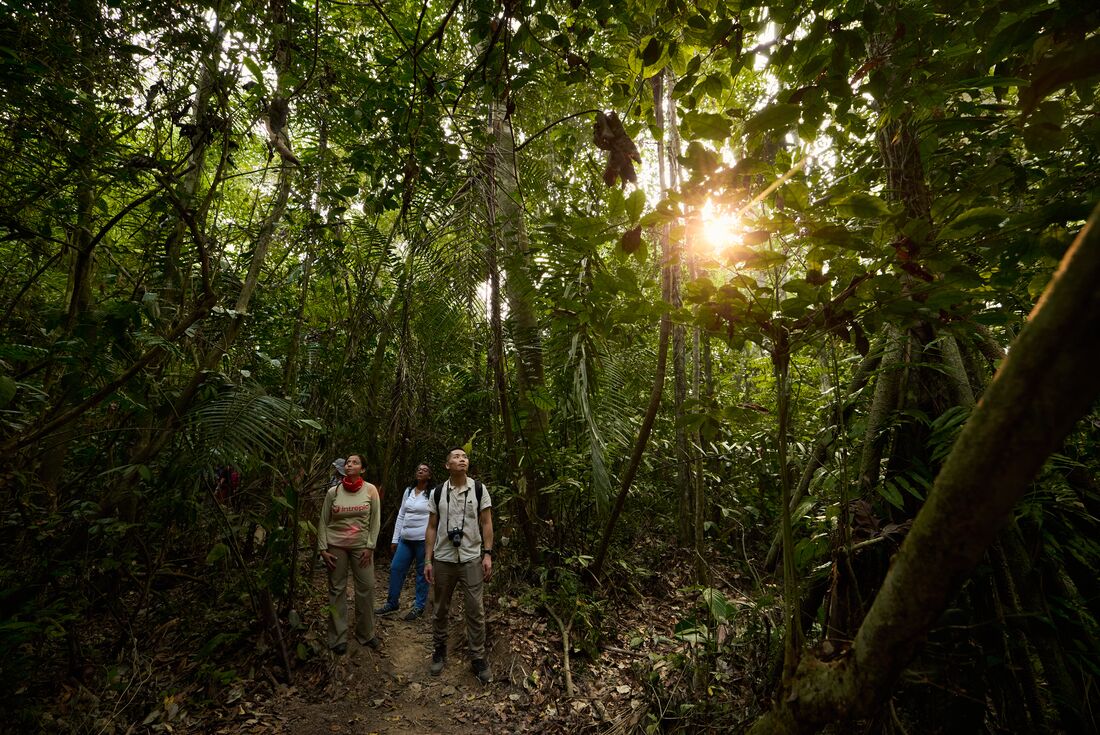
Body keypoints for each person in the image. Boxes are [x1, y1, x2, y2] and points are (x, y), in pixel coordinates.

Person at [425, 447, 494, 683]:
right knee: (440, 608)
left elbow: (486, 523)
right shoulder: (437, 492)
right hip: (443, 558)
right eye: (456, 457)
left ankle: (478, 657)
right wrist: (427, 560)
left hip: (471, 557)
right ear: (447, 465)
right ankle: (439, 651)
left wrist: (487, 554)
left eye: (464, 456)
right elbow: (432, 526)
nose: (461, 459)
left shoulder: (478, 489)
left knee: (475, 610)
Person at [317, 453, 381, 655]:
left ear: (362, 469)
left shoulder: (370, 490)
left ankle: (366, 633)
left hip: (361, 546)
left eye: (355, 462)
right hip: (335, 546)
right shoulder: (333, 492)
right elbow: (323, 521)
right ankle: (338, 637)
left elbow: (375, 520)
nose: (350, 465)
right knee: (337, 589)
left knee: (367, 587)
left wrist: (370, 546)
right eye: (348, 463)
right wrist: (322, 549)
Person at [376, 463, 433, 620]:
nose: (420, 471)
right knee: (396, 568)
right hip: (405, 539)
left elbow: (436, 519)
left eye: (425, 470)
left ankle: (419, 606)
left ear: (429, 476)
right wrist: (395, 538)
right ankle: (392, 602)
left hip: (423, 541)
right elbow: (401, 514)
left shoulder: (432, 493)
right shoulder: (408, 491)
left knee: (422, 574)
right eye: (418, 469)